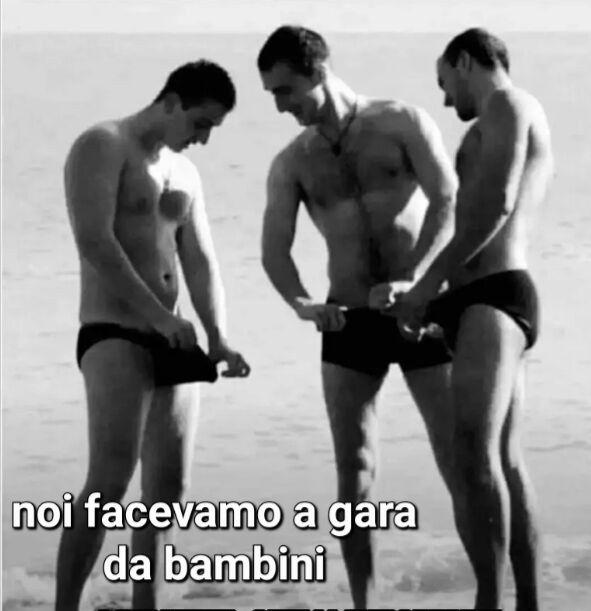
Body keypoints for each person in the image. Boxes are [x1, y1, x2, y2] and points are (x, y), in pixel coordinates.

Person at [257, 25, 458, 608]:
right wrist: (302, 302)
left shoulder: (401, 121)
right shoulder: (293, 161)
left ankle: (493, 594)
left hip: (421, 307)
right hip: (347, 319)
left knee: (460, 456)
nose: (280, 106)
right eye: (272, 94)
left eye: (286, 90)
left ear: (318, 72)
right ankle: (365, 603)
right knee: (354, 470)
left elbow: (448, 199)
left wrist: (415, 279)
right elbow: (274, 251)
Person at [56, 60, 250, 610]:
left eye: (213, 128)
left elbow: (201, 260)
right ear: (170, 102)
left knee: (167, 493)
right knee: (109, 483)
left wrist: (218, 337)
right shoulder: (102, 145)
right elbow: (95, 242)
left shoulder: (185, 173)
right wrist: (159, 317)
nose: (203, 138)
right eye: (200, 123)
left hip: (175, 338)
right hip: (115, 331)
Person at [396, 28, 554, 610]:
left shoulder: (510, 103)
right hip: (478, 297)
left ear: (465, 62)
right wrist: (428, 293)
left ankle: (491, 600)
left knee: (473, 452)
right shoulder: (493, 118)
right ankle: (525, 603)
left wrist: (428, 286)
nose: (444, 99)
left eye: (444, 82)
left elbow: (497, 204)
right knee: (502, 458)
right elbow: (467, 217)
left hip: (495, 296)